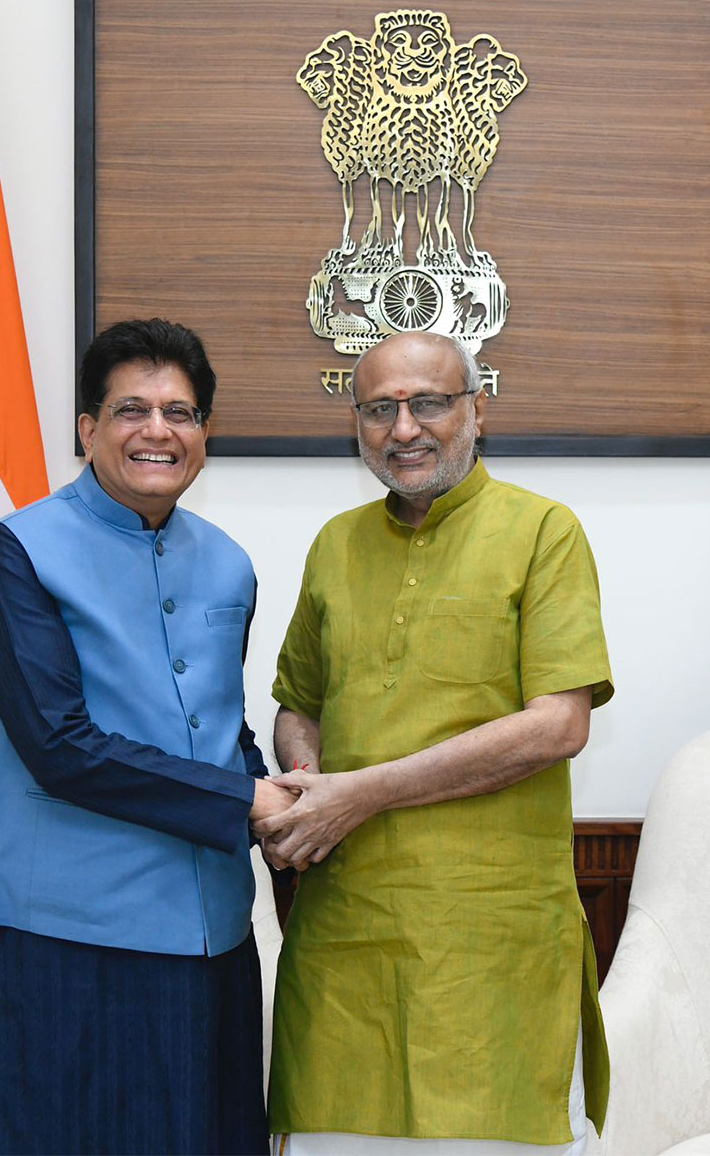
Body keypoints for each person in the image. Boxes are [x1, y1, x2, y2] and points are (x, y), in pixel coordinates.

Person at [258, 331, 615, 1154]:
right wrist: (309, 785)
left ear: (477, 410)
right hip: (346, 937)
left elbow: (559, 723)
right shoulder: (335, 545)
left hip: (491, 941)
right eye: (379, 409)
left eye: (428, 403)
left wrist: (364, 791)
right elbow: (295, 705)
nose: (404, 428)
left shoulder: (543, 532)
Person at [0, 319, 293, 1155]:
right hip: (68, 943)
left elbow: (215, 725)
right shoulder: (16, 554)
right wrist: (250, 801)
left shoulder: (229, 562)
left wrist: (289, 802)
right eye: (131, 409)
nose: (158, 431)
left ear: (204, 435)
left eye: (180, 413)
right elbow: (60, 746)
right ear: (88, 430)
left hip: (215, 939)